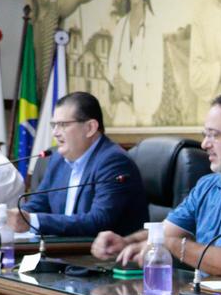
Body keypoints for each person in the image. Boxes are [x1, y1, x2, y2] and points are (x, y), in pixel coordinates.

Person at [91, 93, 221, 281]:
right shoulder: (208, 184)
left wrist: (174, 246)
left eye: (214, 135)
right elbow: (165, 232)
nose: (204, 144)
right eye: (205, 135)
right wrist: (124, 242)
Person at [11, 91, 147, 237]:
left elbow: (98, 221)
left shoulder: (114, 162)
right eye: (54, 125)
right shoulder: (57, 158)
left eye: (63, 125)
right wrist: (13, 217)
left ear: (90, 128)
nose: (55, 133)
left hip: (102, 254)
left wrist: (33, 221)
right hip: (63, 250)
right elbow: (38, 204)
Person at [108, 0, 163, 125]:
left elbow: (154, 96)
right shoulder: (120, 28)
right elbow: (111, 79)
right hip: (120, 124)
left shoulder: (154, 28)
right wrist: (116, 91)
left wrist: (130, 90)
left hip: (143, 127)